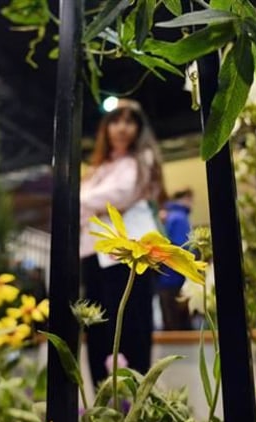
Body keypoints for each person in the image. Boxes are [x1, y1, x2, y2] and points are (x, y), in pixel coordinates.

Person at [79, 99, 166, 385]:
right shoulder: (98, 169)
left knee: (131, 327)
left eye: (130, 122)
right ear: (106, 128)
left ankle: (136, 398)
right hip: (93, 254)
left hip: (130, 255)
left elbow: (118, 195)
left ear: (139, 128)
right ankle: (101, 399)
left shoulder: (140, 162)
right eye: (116, 121)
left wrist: (82, 201)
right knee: (98, 330)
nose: (122, 128)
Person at [156, 189, 194, 330]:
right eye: (190, 199)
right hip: (176, 278)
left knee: (170, 321)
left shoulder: (169, 216)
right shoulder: (179, 217)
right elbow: (182, 248)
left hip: (164, 278)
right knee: (179, 324)